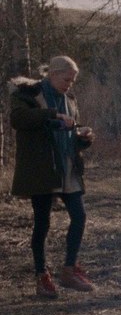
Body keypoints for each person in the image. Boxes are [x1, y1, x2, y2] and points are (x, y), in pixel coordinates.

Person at [9, 55, 96, 298]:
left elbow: (70, 135)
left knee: (79, 216)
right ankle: (42, 276)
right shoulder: (28, 94)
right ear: (53, 74)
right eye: (66, 79)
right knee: (42, 223)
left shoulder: (70, 99)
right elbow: (18, 119)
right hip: (42, 170)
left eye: (72, 81)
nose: (70, 84)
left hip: (68, 168)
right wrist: (53, 115)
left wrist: (83, 138)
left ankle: (69, 270)